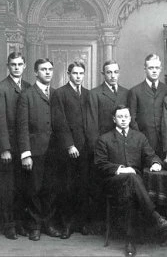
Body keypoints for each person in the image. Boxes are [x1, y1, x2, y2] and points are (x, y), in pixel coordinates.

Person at [94, 105, 167, 257]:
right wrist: (122, 169)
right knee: (131, 178)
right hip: (113, 183)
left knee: (131, 193)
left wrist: (156, 163)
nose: (123, 119)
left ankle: (130, 241)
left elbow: (151, 155)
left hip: (134, 185)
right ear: (114, 119)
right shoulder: (104, 139)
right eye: (120, 117)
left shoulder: (139, 137)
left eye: (126, 116)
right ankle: (156, 218)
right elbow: (100, 164)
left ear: (130, 118)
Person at [17, 58, 61, 241]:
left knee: (51, 188)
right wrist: (25, 153)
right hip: (35, 151)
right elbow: (22, 126)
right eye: (44, 69)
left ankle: (48, 223)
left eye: (50, 69)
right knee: (34, 189)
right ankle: (34, 225)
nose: (48, 72)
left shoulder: (56, 94)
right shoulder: (27, 95)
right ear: (36, 72)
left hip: (54, 150)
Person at [0, 52, 31, 240]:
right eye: (13, 64)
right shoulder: (1, 89)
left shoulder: (29, 87)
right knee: (8, 188)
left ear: (25, 66)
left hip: (24, 146)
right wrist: (5, 148)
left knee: (23, 186)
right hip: (9, 146)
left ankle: (21, 224)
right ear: (8, 66)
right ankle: (9, 226)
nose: (16, 67)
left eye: (20, 64)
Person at [51, 61, 91, 239]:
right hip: (68, 148)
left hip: (85, 147)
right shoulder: (60, 93)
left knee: (82, 186)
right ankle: (66, 224)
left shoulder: (88, 94)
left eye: (81, 73)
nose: (78, 76)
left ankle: (80, 222)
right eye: (75, 73)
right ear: (68, 74)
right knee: (67, 187)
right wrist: (69, 145)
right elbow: (59, 122)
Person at [128, 54, 167, 157]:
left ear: (160, 69)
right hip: (143, 142)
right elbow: (132, 119)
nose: (154, 71)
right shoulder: (135, 91)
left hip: (164, 143)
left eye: (157, 68)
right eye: (151, 68)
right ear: (145, 69)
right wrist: (140, 139)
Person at [87, 60, 129, 150]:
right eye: (109, 72)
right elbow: (92, 124)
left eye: (116, 72)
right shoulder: (94, 93)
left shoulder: (126, 92)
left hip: (123, 142)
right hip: (103, 143)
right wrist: (96, 147)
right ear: (103, 74)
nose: (113, 76)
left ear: (119, 73)